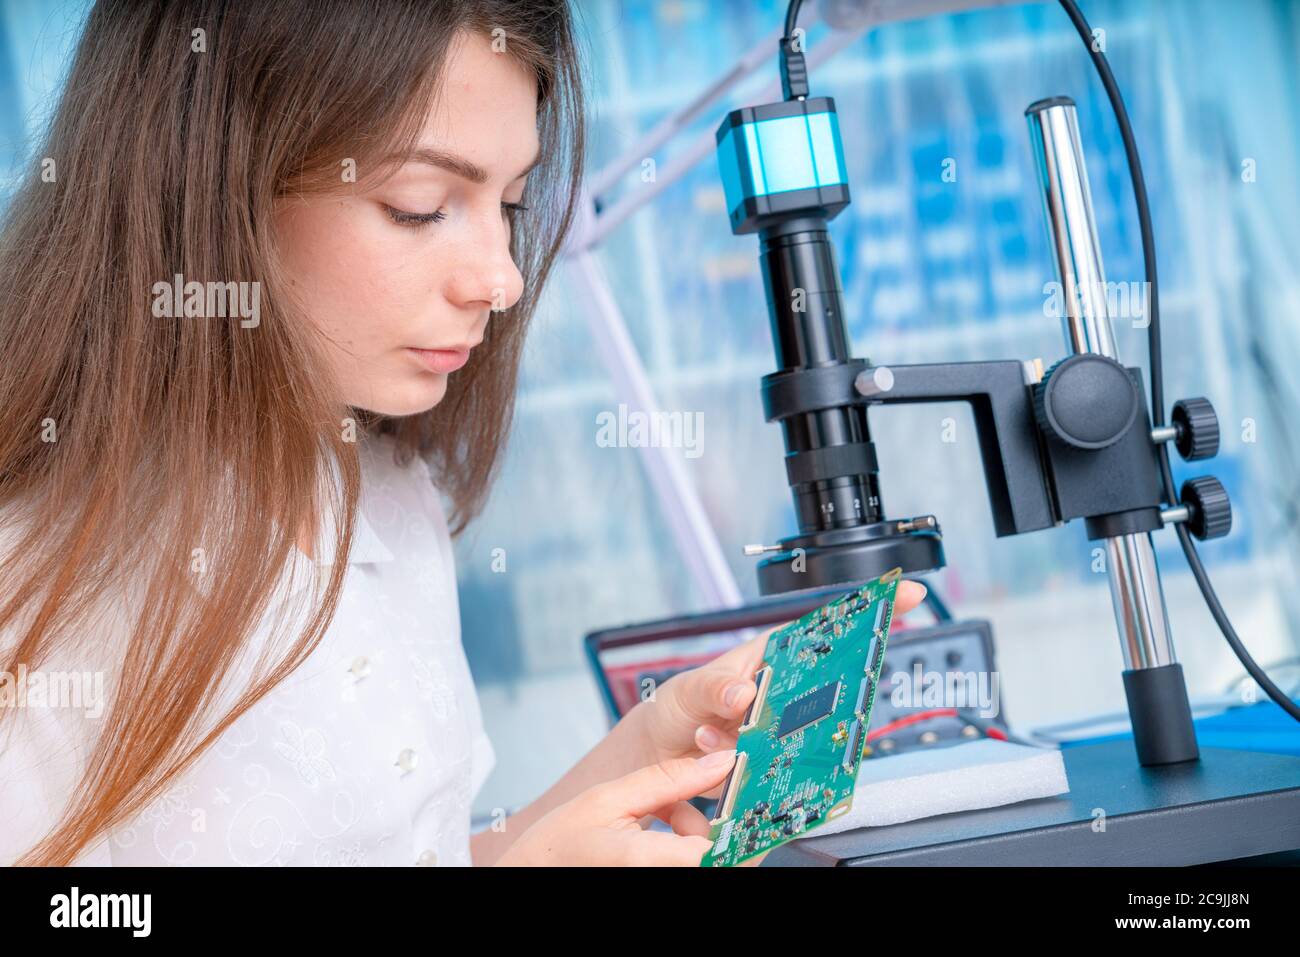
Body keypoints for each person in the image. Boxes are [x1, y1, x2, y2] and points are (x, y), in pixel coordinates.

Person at [0, 0, 925, 867]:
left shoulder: (386, 490)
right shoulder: (34, 575)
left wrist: (645, 749)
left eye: (511, 205)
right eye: (419, 204)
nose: (502, 278)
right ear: (207, 188)